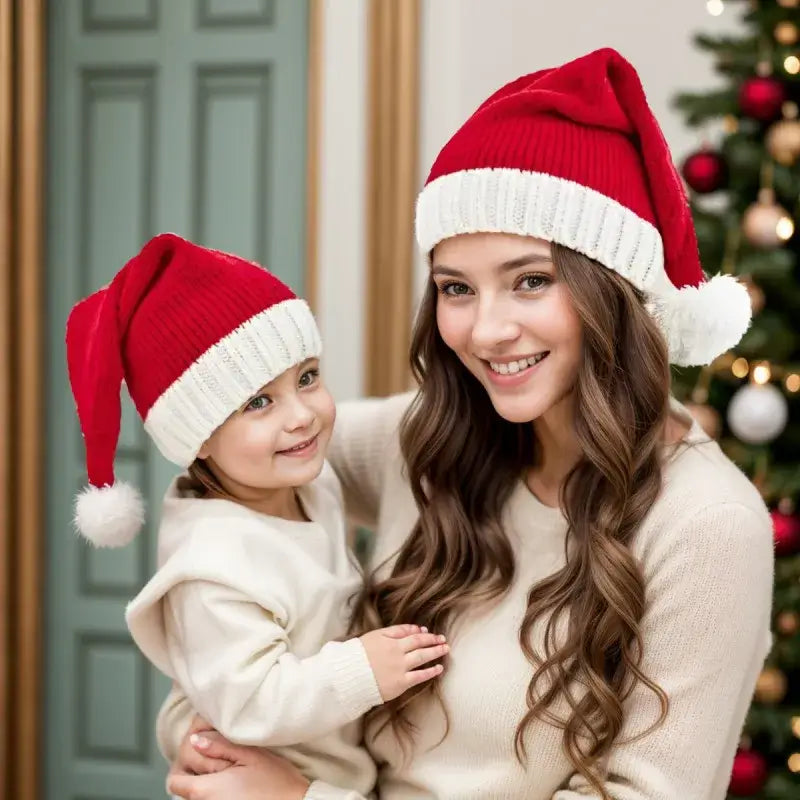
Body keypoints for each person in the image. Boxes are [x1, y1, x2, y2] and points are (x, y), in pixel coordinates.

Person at [164, 48, 774, 800]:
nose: (486, 331)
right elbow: (225, 479)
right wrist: (209, 717)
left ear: (612, 291)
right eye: (457, 288)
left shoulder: (706, 525)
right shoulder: (421, 441)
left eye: (530, 281)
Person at [65, 233, 448, 799]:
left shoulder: (309, 485)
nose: (302, 416)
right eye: (258, 403)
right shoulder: (213, 563)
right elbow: (248, 701)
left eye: (308, 377)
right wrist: (362, 668)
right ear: (197, 438)